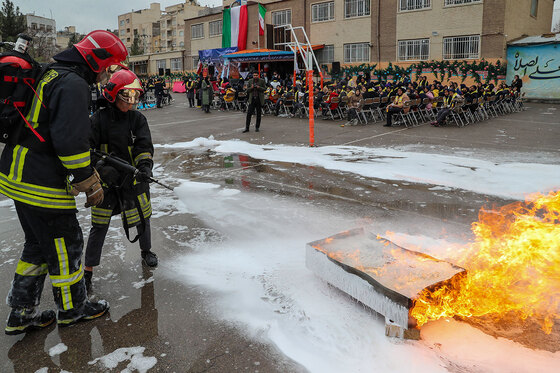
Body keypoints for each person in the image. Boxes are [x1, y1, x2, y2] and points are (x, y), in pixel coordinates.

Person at [0, 30, 128, 335]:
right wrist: (88, 179)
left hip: (17, 175)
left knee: (37, 245)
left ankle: (21, 312)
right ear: (95, 60)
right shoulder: (72, 83)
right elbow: (69, 141)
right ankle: (73, 309)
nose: (105, 75)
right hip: (40, 181)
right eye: (107, 66)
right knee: (65, 244)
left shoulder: (53, 73)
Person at [85, 69, 157, 292]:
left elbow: (143, 147)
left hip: (134, 180)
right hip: (105, 183)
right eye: (127, 98)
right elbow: (88, 151)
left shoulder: (137, 119)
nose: (131, 103)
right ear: (113, 95)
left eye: (136, 98)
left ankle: (146, 251)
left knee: (143, 218)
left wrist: (144, 167)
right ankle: (87, 270)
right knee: (99, 226)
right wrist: (101, 170)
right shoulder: (97, 120)